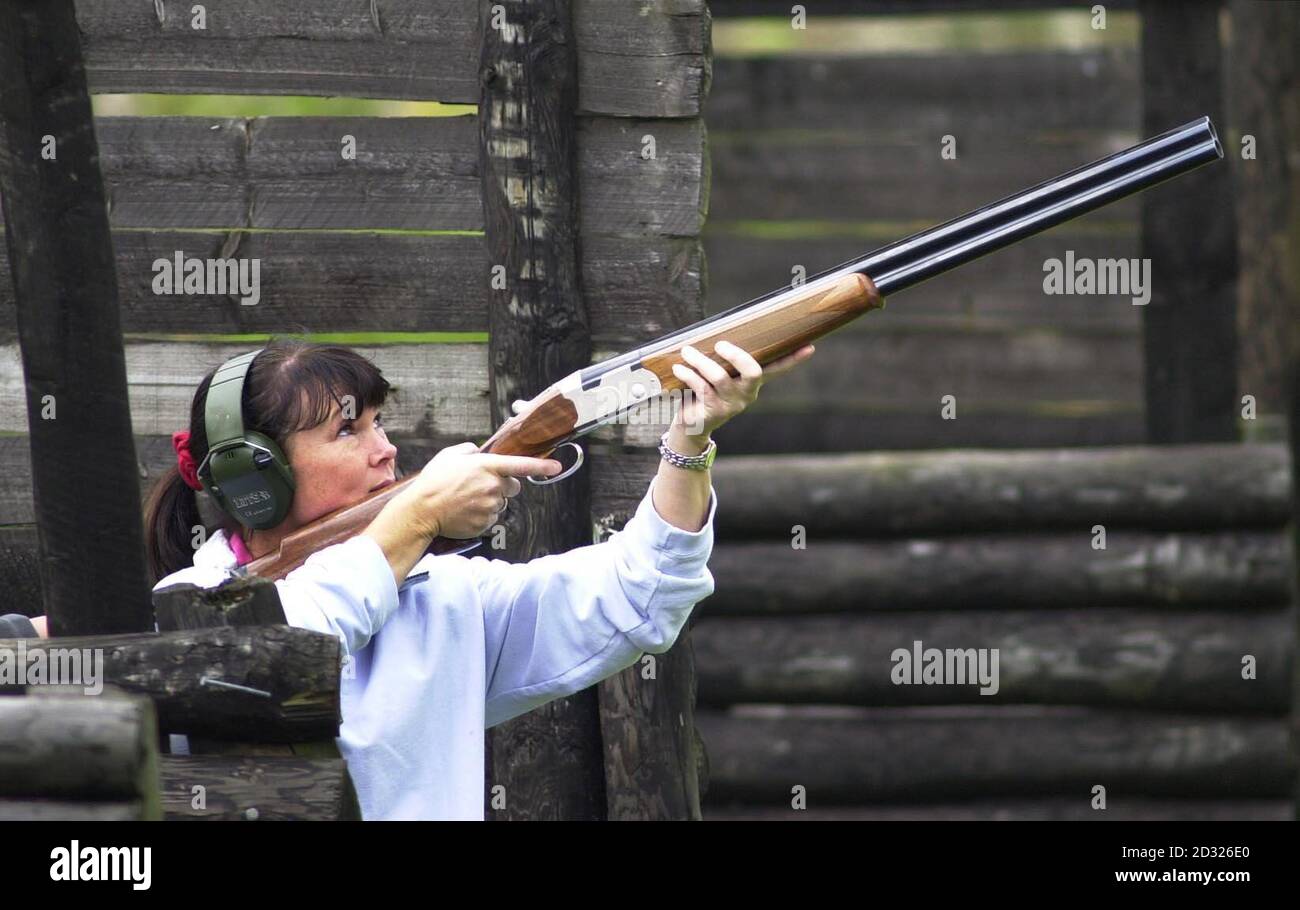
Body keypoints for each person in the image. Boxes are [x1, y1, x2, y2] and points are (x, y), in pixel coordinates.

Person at [26, 336, 815, 820]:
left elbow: (640, 597)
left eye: (377, 423)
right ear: (254, 478)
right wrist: (416, 523)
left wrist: (689, 442)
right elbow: (274, 656)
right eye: (348, 431)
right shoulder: (174, 619)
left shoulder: (443, 601)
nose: (386, 451)